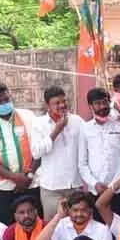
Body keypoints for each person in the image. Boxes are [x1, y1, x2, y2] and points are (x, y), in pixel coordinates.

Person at [0, 82, 40, 225]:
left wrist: (27, 176)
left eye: (6, 99)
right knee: (9, 226)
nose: (4, 103)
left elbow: (38, 149)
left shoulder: (28, 116)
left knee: (35, 224)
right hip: (4, 187)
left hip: (32, 182)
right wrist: (14, 177)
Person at [29, 86, 84, 220]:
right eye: (57, 103)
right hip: (51, 188)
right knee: (53, 229)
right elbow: (36, 152)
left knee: (76, 225)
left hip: (74, 185)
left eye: (64, 101)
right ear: (48, 105)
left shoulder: (77, 121)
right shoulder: (39, 123)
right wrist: (57, 130)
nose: (62, 105)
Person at [79, 86, 120, 216]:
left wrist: (113, 185)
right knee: (98, 229)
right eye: (98, 103)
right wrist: (94, 183)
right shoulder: (85, 129)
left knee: (119, 228)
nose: (102, 106)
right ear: (90, 106)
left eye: (105, 102)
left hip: (119, 189)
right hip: (96, 190)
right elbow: (82, 163)